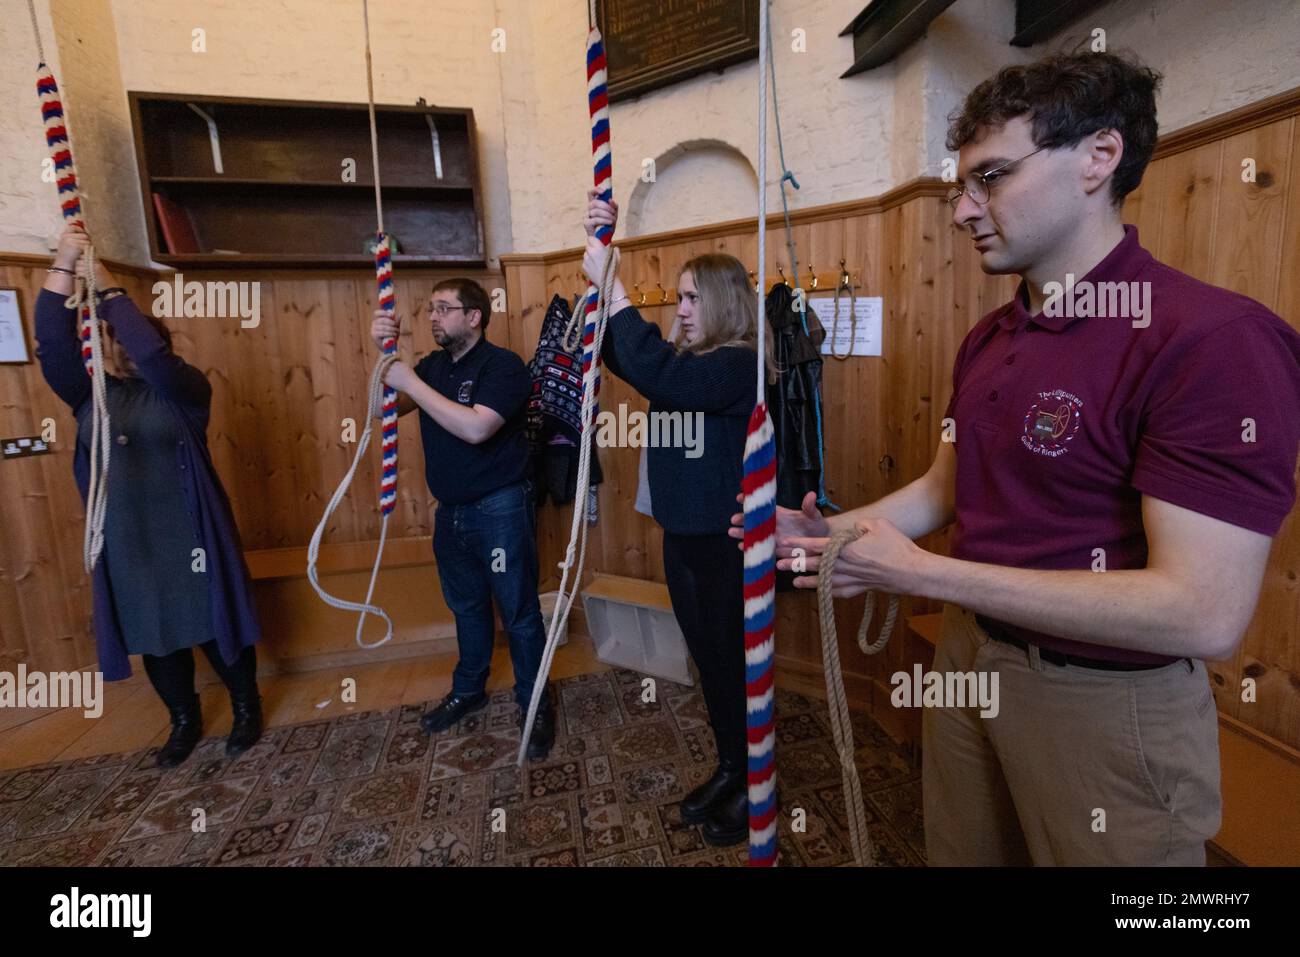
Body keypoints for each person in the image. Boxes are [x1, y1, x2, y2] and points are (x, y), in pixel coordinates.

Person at [732, 51, 1300, 865]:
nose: (963, 211)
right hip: (969, 654)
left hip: (1103, 698)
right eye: (958, 187)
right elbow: (942, 492)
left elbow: (1201, 611)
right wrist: (820, 533)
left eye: (990, 177)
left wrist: (925, 577)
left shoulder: (1210, 340)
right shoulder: (991, 338)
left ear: (1099, 158)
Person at [582, 190, 775, 846]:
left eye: (691, 298)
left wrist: (615, 293)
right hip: (685, 538)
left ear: (722, 303)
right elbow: (635, 362)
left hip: (725, 547)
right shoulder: (691, 363)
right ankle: (730, 766)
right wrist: (602, 270)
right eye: (679, 297)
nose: (681, 307)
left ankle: (756, 784)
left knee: (733, 664)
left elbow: (657, 372)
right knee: (710, 662)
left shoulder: (739, 363)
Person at [35, 226, 263, 768]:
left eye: (132, 338)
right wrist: (66, 262)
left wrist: (110, 289)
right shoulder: (90, 396)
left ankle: (245, 705)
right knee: (155, 633)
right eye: (115, 340)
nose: (126, 349)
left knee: (213, 623)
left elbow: (155, 360)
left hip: (190, 532)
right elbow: (52, 345)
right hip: (129, 539)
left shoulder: (183, 390)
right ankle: (182, 720)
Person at [370, 279, 554, 760]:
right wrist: (382, 356)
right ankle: (468, 689)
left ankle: (535, 704)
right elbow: (380, 410)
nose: (433, 317)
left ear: (474, 316)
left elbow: (476, 428)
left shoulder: (504, 366)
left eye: (444, 309)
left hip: (500, 507)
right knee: (467, 607)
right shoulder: (430, 367)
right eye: (430, 309)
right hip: (449, 511)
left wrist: (411, 382)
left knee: (518, 612)